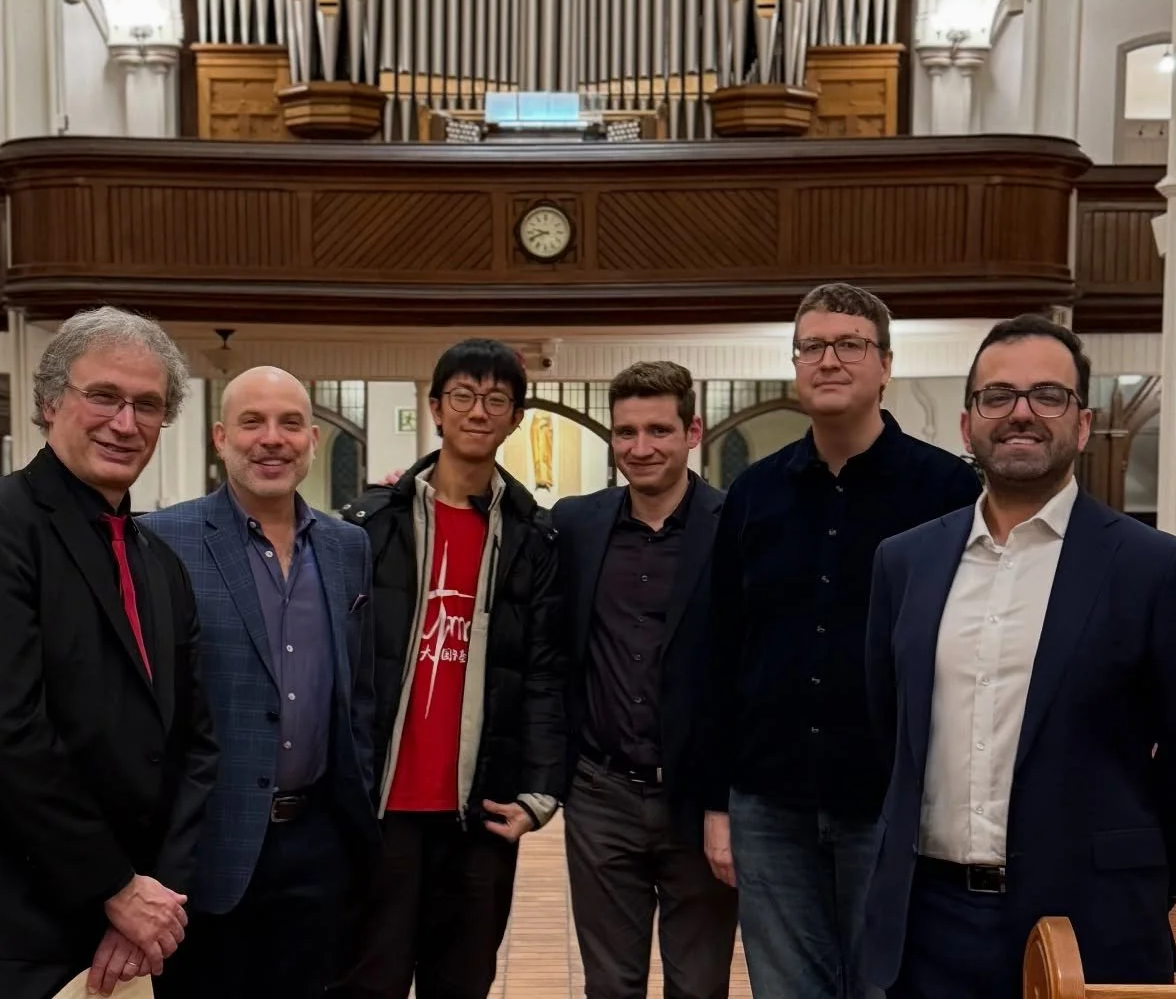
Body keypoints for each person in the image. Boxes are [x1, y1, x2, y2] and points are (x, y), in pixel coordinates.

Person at [862, 314, 1176, 997]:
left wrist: (1131, 880)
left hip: (1087, 921)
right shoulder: (905, 562)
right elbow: (888, 729)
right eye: (998, 396)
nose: (1022, 414)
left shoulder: (1155, 568)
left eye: (1048, 395)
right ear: (967, 423)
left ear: (1084, 423)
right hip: (927, 922)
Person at [0, 307, 218, 999]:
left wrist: (152, 901)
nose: (125, 424)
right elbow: (2, 733)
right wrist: (116, 887)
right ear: (49, 401)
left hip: (121, 933)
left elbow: (194, 745)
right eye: (104, 396)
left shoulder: (159, 561)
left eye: (148, 406)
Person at [703, 283, 981, 999]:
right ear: (796, 365)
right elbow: (721, 646)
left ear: (886, 365)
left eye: (850, 345)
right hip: (769, 800)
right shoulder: (753, 493)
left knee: (886, 986)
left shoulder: (945, 489)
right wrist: (717, 803)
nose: (829, 360)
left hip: (890, 802)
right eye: (812, 347)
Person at [334, 338, 568, 999]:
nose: (478, 410)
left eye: (497, 398)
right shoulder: (367, 525)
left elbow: (547, 674)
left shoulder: (532, 537)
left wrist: (539, 795)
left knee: (461, 983)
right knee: (364, 981)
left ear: (516, 418)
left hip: (480, 810)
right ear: (435, 407)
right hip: (382, 808)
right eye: (463, 394)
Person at [145, 366, 376, 999]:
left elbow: (357, 694)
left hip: (319, 842)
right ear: (220, 438)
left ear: (313, 441)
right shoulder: (163, 540)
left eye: (290, 424)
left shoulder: (347, 546)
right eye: (252, 422)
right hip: (206, 849)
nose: (271, 439)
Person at [554, 361, 738, 999]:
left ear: (693, 431)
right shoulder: (574, 525)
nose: (640, 448)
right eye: (625, 432)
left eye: (658, 430)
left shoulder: (736, 525)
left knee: (699, 985)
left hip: (697, 801)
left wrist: (725, 801)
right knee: (610, 985)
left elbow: (744, 673)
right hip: (601, 794)